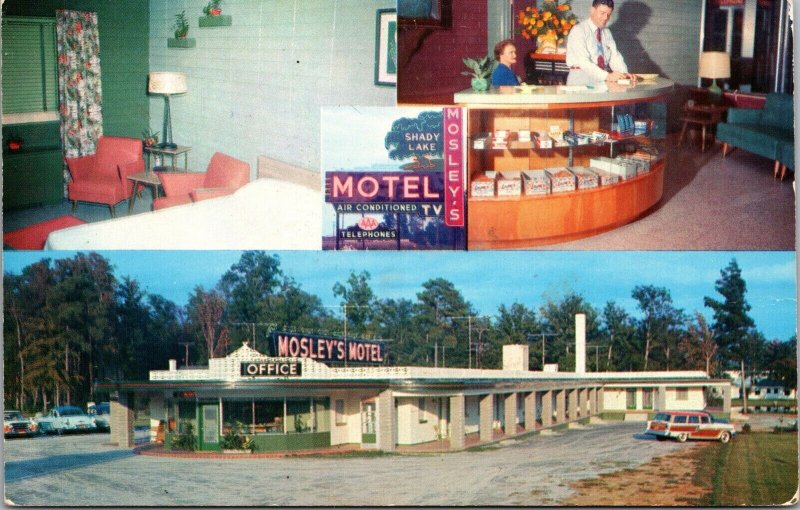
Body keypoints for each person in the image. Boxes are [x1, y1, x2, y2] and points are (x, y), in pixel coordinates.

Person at [566, 0, 635, 86]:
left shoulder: (606, 32)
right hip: (580, 78)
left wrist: (624, 74)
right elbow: (583, 61)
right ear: (592, 10)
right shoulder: (579, 30)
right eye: (602, 13)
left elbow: (615, 56)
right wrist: (607, 76)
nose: (606, 17)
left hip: (602, 78)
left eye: (608, 14)